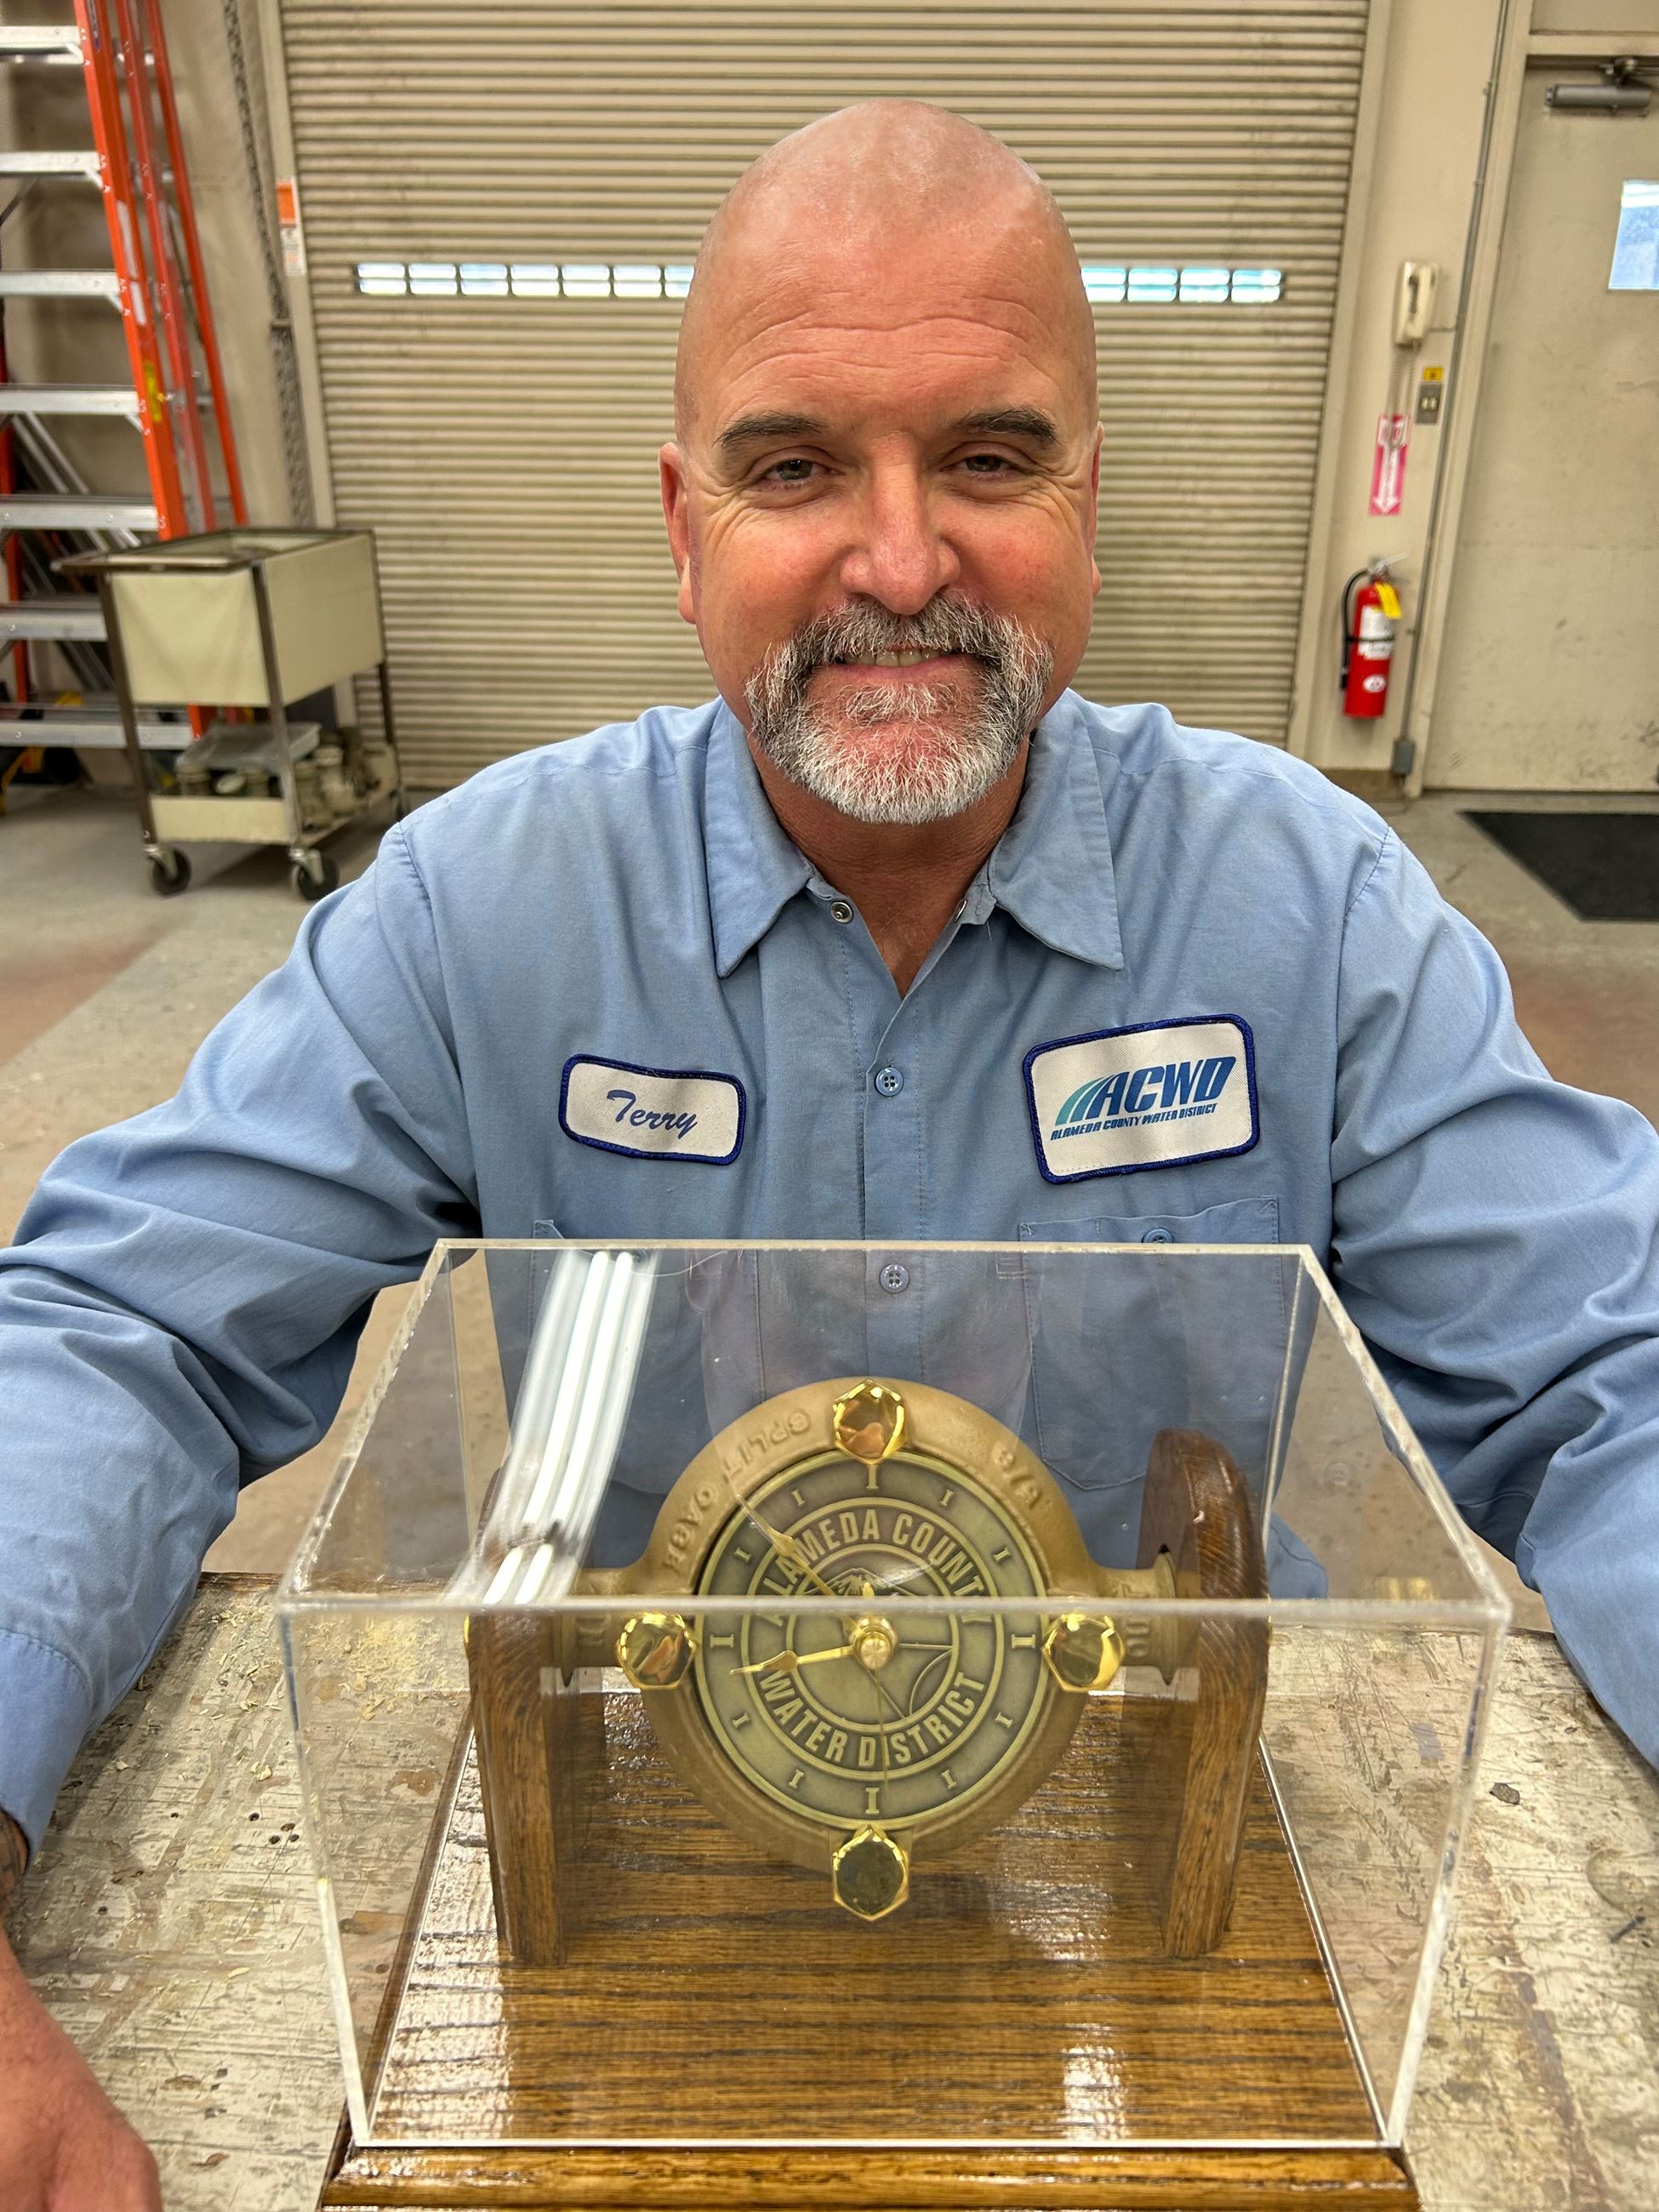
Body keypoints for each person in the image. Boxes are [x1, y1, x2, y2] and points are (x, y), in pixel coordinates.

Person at [3, 100, 1656, 2206]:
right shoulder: (482, 908)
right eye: (797, 467)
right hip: (645, 1858)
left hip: (1179, 1893)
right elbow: (114, 1332)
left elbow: (1613, 1374)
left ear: (1089, 502)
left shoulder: (1312, 912)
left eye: (987, 455)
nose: (899, 559)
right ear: (682, 526)